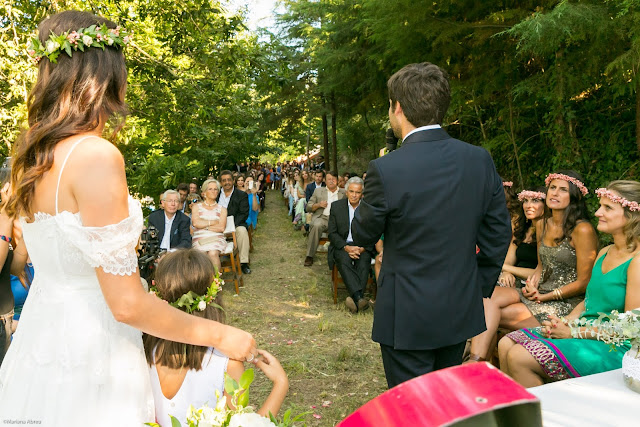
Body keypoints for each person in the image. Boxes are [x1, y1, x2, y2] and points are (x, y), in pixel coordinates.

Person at [0, 11, 255, 424]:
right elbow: (125, 303)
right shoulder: (95, 156)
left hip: (39, 346)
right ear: (105, 75)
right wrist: (222, 334)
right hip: (93, 358)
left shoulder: (30, 159)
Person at [351, 62, 512, 388]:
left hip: (406, 313)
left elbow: (363, 233)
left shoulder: (386, 168)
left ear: (397, 108)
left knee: (412, 404)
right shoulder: (479, 159)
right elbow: (498, 234)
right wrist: (475, 288)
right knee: (445, 397)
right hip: (458, 305)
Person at [499, 180, 640, 386]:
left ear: (633, 216)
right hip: (583, 328)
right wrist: (565, 322)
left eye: (607, 208)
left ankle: (547, 407)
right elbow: (588, 300)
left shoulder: (637, 262)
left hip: (614, 346)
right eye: (600, 206)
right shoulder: (604, 252)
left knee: (520, 356)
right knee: (506, 343)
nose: (598, 213)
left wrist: (573, 332)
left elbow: (630, 329)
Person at [145, 250, 289, 426]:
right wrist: (281, 384)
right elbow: (241, 424)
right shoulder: (228, 365)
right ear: (213, 297)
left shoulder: (144, 350)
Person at [500, 171, 598, 329]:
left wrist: (546, 296)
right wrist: (532, 286)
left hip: (566, 302)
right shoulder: (542, 224)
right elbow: (540, 268)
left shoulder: (582, 229)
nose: (555, 193)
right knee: (487, 299)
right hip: (540, 292)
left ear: (575, 196)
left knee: (497, 313)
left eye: (563, 189)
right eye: (552, 188)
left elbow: (584, 282)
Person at [465, 186, 546, 362]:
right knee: (484, 295)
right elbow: (507, 261)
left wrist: (507, 269)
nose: (528, 205)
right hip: (513, 283)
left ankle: (474, 359)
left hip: (532, 285)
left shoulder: (546, 231)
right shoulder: (524, 229)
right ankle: (478, 360)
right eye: (526, 200)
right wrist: (505, 272)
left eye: (535, 200)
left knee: (486, 300)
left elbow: (538, 272)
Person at [328, 177, 373, 313]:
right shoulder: (336, 207)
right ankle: (359, 298)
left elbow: (372, 233)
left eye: (357, 192)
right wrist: (347, 248)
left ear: (362, 194)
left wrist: (362, 249)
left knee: (364, 261)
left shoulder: (369, 209)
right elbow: (332, 233)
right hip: (343, 245)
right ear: (346, 192)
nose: (354, 195)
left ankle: (354, 299)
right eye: (351, 191)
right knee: (343, 259)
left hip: (362, 246)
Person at [304, 171, 346, 267]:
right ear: (325, 181)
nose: (331, 181)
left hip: (338, 221)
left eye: (333, 179)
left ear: (337, 181)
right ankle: (309, 255)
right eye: (329, 179)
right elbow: (308, 207)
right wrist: (318, 205)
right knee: (316, 225)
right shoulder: (318, 191)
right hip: (323, 218)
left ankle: (344, 256)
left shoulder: (344, 193)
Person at [218, 170, 251, 274]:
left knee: (242, 231)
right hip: (217, 225)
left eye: (229, 180)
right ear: (220, 183)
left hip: (235, 224)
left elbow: (243, 213)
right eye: (224, 180)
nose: (227, 182)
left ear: (233, 181)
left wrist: (230, 226)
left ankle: (243, 263)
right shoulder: (216, 194)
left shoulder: (241, 195)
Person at [192, 179, 227, 272]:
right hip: (200, 238)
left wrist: (204, 226)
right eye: (210, 189)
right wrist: (213, 222)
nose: (213, 191)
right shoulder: (196, 207)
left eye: (215, 189)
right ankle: (204, 279)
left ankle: (216, 279)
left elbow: (221, 228)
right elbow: (195, 223)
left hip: (216, 238)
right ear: (204, 192)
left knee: (213, 253)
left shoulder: (222, 209)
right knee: (201, 254)